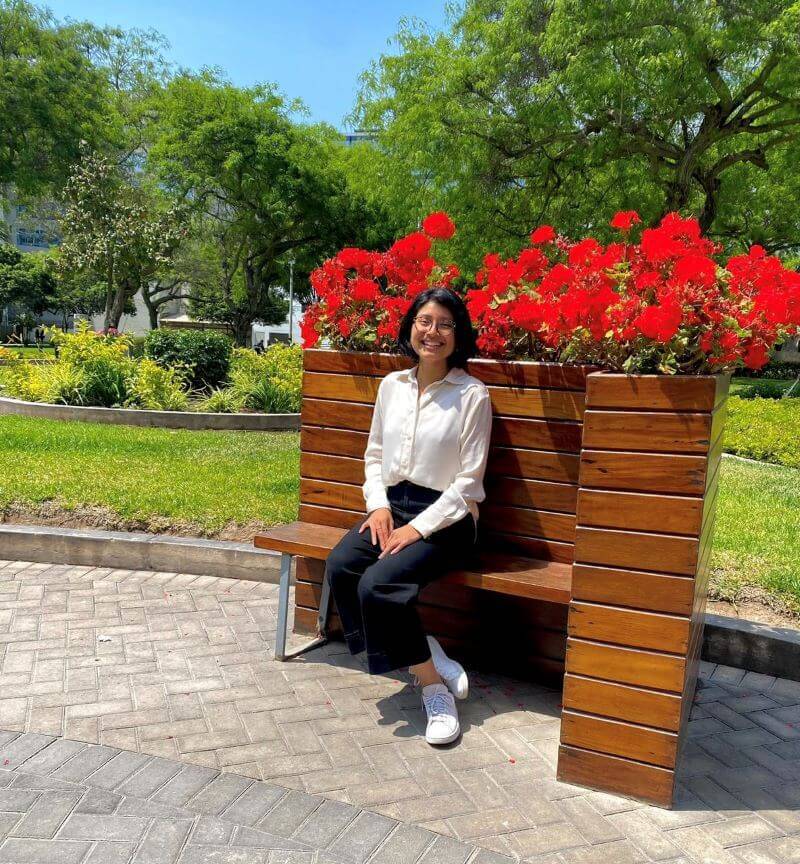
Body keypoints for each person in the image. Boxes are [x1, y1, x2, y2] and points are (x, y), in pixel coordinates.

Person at [324, 286, 493, 746]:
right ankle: (424, 651)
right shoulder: (391, 386)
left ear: (458, 335)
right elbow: (374, 455)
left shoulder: (472, 395)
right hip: (391, 505)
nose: (432, 332)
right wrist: (378, 505)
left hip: (447, 520)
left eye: (443, 324)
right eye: (424, 321)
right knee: (342, 565)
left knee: (377, 586)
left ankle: (432, 688)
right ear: (410, 327)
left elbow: (468, 484)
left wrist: (417, 528)